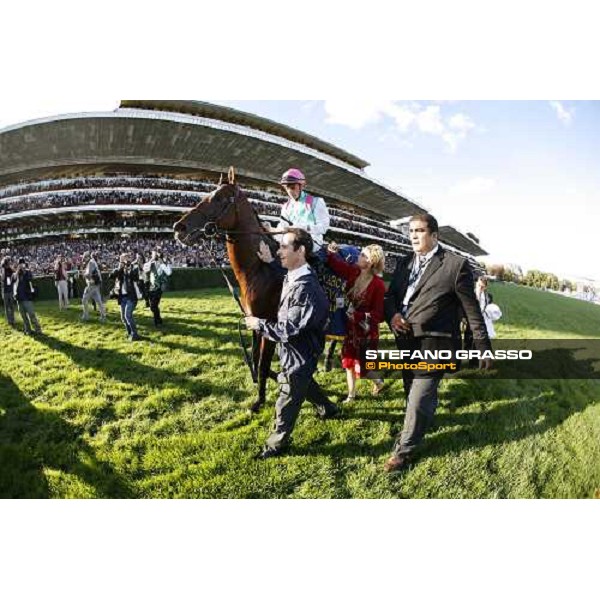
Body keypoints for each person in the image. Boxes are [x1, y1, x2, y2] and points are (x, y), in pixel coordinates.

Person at [382, 213, 492, 473]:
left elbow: (472, 310)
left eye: (419, 231)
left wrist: (483, 347)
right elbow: (390, 298)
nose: (413, 236)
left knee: (419, 396)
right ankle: (421, 419)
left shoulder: (455, 265)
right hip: (407, 341)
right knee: (413, 393)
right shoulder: (404, 262)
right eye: (410, 231)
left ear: (434, 235)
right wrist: (394, 315)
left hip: (437, 344)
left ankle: (403, 452)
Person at [245, 228, 340, 459]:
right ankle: (328, 408)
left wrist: (258, 324)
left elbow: (288, 330)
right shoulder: (294, 273)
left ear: (301, 251)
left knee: (287, 395)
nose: (280, 251)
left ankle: (275, 444)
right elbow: (283, 272)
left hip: (300, 353)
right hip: (295, 352)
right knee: (304, 382)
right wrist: (270, 261)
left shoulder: (306, 289)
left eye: (285, 246)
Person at [326, 241, 386, 402]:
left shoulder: (378, 285)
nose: (358, 256)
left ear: (370, 262)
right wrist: (332, 253)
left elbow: (378, 315)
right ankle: (351, 395)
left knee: (364, 366)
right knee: (348, 361)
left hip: (366, 331)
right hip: (351, 328)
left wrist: (357, 316)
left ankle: (378, 381)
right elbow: (338, 267)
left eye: (363, 255)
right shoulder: (353, 272)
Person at [264, 168, 330, 253]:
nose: (290, 191)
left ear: (301, 186)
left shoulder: (315, 201)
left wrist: (298, 228)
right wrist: (270, 229)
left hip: (313, 241)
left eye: (292, 187)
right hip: (291, 239)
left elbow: (323, 228)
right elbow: (282, 228)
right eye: (286, 188)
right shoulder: (286, 207)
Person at [110, 253, 142, 341]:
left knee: (128, 315)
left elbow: (135, 276)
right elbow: (111, 276)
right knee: (123, 318)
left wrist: (128, 267)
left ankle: (135, 335)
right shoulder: (119, 270)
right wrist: (120, 268)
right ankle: (130, 333)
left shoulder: (133, 268)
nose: (123, 261)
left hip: (131, 296)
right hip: (122, 297)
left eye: (125, 259)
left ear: (129, 259)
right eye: (121, 259)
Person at [143, 250, 173, 326]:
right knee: (153, 307)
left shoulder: (162, 264)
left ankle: (157, 322)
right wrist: (150, 260)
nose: (154, 256)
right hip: (151, 287)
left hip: (158, 288)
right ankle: (159, 319)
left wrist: (164, 262)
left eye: (156, 254)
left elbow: (169, 273)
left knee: (153, 305)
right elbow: (145, 269)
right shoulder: (150, 263)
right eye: (153, 254)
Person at [13, 258, 42, 335]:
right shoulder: (16, 274)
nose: (21, 265)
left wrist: (24, 271)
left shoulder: (28, 272)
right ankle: (28, 330)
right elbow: (13, 283)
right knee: (24, 317)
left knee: (31, 314)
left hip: (27, 297)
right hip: (19, 299)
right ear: (18, 265)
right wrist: (17, 272)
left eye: (23, 264)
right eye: (20, 264)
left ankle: (38, 329)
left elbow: (30, 280)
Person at [81, 251, 106, 323]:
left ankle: (86, 316)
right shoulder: (92, 262)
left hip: (92, 285)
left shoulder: (91, 263)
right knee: (99, 301)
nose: (84, 259)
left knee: (84, 300)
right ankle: (103, 316)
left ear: (88, 257)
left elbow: (89, 275)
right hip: (95, 285)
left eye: (84, 257)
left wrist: (83, 275)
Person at [1, 256, 16, 327]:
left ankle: (12, 320)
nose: (10, 262)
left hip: (10, 290)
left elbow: (14, 278)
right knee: (7, 306)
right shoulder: (3, 269)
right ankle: (10, 320)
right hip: (5, 290)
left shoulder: (10, 270)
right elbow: (2, 279)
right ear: (6, 262)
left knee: (11, 306)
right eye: (9, 261)